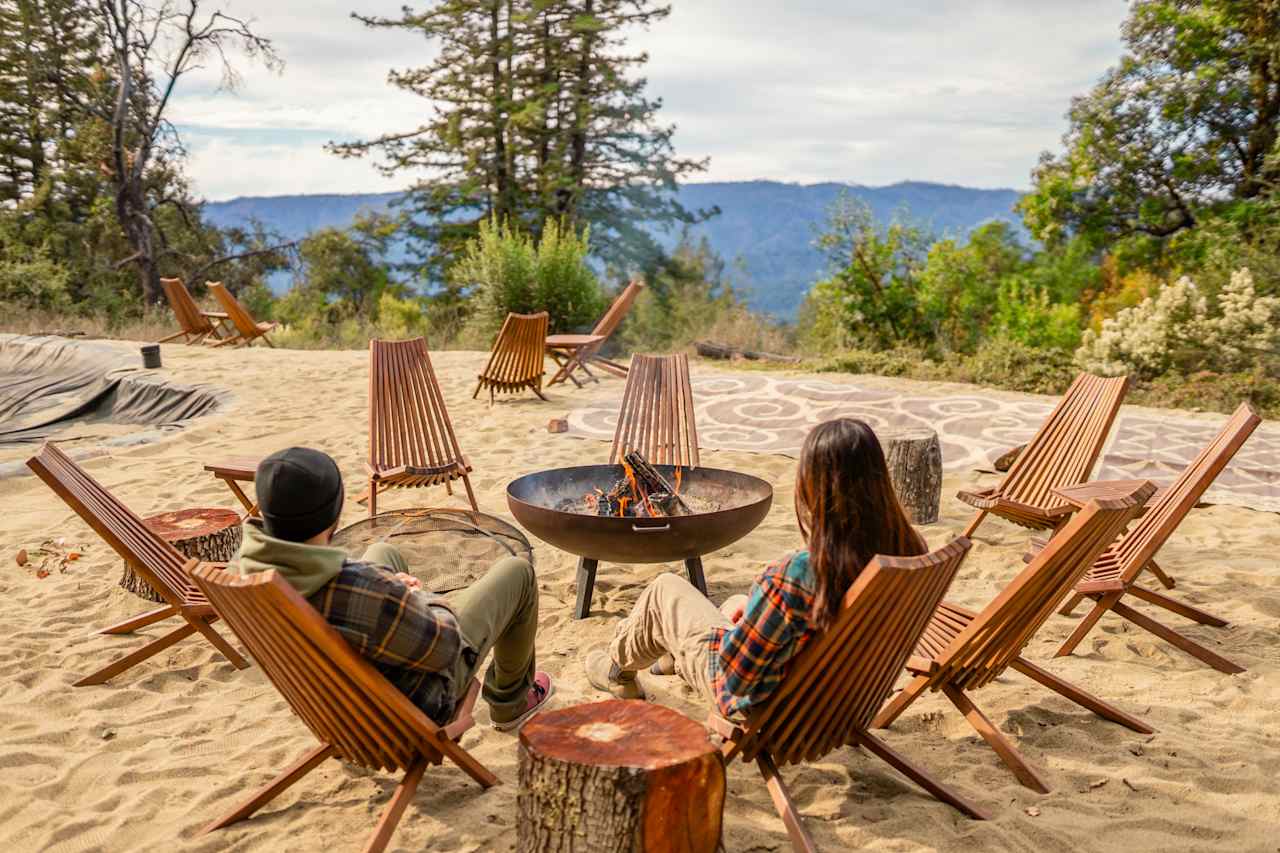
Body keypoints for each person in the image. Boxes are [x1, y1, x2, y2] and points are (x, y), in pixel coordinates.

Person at [585, 418, 927, 718]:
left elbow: (735, 679)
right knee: (735, 602)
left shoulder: (799, 574)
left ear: (813, 488)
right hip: (839, 699)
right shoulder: (909, 551)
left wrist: (734, 634)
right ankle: (671, 657)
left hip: (762, 705)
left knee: (665, 590)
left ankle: (617, 672)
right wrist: (748, 616)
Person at [234, 446, 552, 731]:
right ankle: (510, 703)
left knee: (383, 552)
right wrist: (413, 597)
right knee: (518, 573)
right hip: (411, 703)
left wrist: (386, 586)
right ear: (334, 513)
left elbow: (362, 585)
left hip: (339, 707)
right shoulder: (358, 589)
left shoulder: (247, 575)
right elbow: (445, 645)